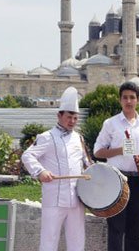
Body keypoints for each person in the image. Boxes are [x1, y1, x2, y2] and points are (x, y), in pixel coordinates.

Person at [21, 87, 90, 251]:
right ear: (59, 116)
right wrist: (40, 171)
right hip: (54, 199)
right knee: (49, 241)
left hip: (76, 199)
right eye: (68, 117)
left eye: (75, 117)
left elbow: (86, 163)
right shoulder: (47, 137)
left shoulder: (78, 138)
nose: (72, 121)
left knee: (77, 242)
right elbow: (27, 156)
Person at [93, 81, 139, 251]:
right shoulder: (110, 123)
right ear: (120, 100)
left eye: (132, 97)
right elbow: (97, 152)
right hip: (116, 181)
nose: (129, 101)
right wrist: (120, 150)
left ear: (138, 100)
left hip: (137, 180)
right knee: (116, 228)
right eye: (125, 97)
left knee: (135, 229)